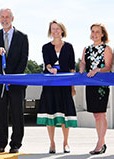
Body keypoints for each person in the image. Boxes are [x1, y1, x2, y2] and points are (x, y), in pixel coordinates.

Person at [0, 8, 28, 153]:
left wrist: (12, 78)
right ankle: (0, 143)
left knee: (17, 114)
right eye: (2, 17)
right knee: (0, 114)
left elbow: (24, 60)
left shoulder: (22, 37)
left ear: (12, 18)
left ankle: (15, 144)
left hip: (16, 83)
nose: (4, 19)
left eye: (7, 17)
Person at [37, 20, 77, 154]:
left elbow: (72, 68)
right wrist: (50, 69)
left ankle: (66, 143)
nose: (55, 31)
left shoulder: (69, 47)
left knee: (65, 114)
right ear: (50, 31)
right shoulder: (45, 47)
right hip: (50, 85)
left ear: (62, 30)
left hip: (65, 85)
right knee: (50, 114)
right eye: (52, 29)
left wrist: (72, 87)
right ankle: (52, 143)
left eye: (57, 29)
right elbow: (47, 63)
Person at [79, 23, 112, 155]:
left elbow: (108, 67)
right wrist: (81, 68)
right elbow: (83, 62)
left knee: (100, 114)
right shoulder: (86, 49)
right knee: (95, 115)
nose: (94, 34)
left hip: (101, 86)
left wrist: (98, 70)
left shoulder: (107, 48)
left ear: (103, 34)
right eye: (93, 31)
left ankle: (100, 143)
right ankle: (101, 142)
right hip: (90, 85)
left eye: (97, 32)